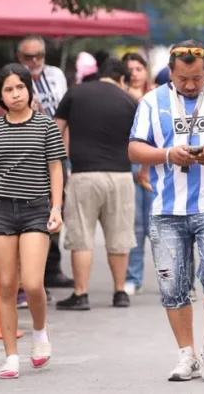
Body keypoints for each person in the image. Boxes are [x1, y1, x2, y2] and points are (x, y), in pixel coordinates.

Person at [128, 40, 204, 382]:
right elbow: (135, 149)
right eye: (183, 78)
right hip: (165, 207)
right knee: (172, 284)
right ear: (170, 72)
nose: (189, 85)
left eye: (196, 77)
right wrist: (168, 154)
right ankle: (187, 355)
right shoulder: (152, 102)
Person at [0, 63, 66, 379]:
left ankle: (38, 331)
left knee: (33, 283)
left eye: (20, 87)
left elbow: (55, 169)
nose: (15, 94)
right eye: (8, 89)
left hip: (36, 208)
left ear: (28, 89)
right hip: (2, 211)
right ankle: (10, 356)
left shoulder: (46, 126)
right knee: (6, 285)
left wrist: (56, 208)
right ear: (1, 96)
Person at [53, 59, 138, 310]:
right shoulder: (130, 101)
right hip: (121, 176)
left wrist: (60, 166)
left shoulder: (75, 93)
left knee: (81, 237)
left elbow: (56, 133)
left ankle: (81, 294)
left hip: (83, 175)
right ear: (122, 79)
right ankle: (120, 292)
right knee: (119, 236)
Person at [16, 35, 73, 289]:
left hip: (55, 150)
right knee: (32, 209)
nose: (35, 60)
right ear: (20, 58)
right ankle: (32, 272)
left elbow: (66, 113)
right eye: (29, 57)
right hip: (28, 151)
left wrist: (65, 153)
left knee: (56, 206)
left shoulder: (56, 75)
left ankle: (52, 265)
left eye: (39, 55)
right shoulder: (14, 78)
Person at [121, 53, 154, 297]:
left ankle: (174, 277)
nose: (134, 72)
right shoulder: (118, 97)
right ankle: (133, 276)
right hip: (128, 164)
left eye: (138, 68)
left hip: (156, 164)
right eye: (129, 68)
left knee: (160, 225)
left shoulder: (157, 97)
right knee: (135, 225)